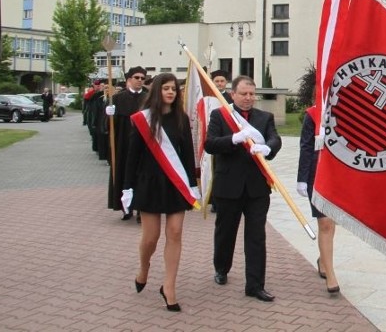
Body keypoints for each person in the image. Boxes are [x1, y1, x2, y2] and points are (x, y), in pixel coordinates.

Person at [122, 73, 199, 312]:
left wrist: (192, 184)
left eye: (174, 89)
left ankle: (169, 287)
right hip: (149, 183)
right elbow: (131, 157)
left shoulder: (181, 119)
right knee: (151, 238)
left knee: (175, 233)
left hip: (175, 184)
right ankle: (143, 269)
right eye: (166, 88)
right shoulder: (144, 120)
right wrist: (127, 187)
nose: (170, 92)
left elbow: (187, 154)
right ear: (157, 91)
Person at [205, 75, 281, 302]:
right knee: (225, 231)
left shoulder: (264, 117)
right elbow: (210, 144)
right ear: (232, 94)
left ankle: (255, 284)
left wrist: (268, 148)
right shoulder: (221, 115)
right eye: (243, 94)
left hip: (257, 187)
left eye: (251, 94)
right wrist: (235, 138)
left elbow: (275, 138)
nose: (248, 98)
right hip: (229, 185)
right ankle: (221, 267)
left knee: (256, 236)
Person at [297, 95, 340, 295]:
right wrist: (302, 179)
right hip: (318, 176)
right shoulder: (312, 115)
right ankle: (330, 275)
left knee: (331, 223)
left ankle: (324, 259)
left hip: (339, 176)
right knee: (325, 223)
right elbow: (305, 148)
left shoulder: (346, 112)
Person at [107, 67, 149, 220]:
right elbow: (109, 128)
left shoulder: (148, 98)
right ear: (129, 79)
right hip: (123, 144)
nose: (139, 80)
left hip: (143, 145)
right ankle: (126, 208)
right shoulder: (117, 99)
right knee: (124, 174)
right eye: (136, 77)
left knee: (141, 176)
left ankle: (140, 208)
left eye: (142, 78)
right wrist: (109, 116)